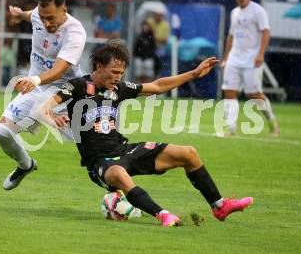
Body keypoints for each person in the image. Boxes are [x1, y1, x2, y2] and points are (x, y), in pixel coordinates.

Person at [38, 44, 253, 227]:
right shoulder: (78, 86)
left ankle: (219, 206)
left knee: (188, 153)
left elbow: (157, 86)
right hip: (99, 163)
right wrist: (52, 119)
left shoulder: (119, 88)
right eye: (114, 71)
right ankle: (163, 215)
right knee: (120, 175)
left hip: (124, 150)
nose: (118, 77)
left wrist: (193, 74)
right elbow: (42, 109)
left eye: (121, 72)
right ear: (98, 66)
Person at [0, 0, 86, 190]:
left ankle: (120, 189)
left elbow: (59, 70)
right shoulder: (38, 14)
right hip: (36, 89)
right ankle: (26, 165)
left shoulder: (75, 31)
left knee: (91, 146)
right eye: (43, 17)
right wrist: (20, 15)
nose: (46, 23)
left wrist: (35, 79)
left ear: (64, 9)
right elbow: (32, 15)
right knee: (2, 131)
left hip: (67, 93)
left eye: (51, 18)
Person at [220, 0, 279, 136]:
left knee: (253, 94)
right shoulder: (234, 12)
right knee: (229, 92)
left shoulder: (258, 11)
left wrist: (260, 54)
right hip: (234, 58)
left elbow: (266, 32)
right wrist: (226, 58)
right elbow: (231, 36)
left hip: (252, 59)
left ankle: (271, 119)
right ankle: (231, 129)